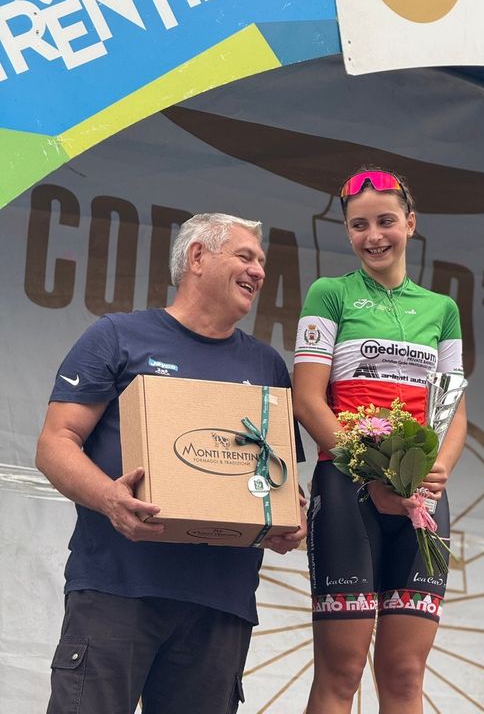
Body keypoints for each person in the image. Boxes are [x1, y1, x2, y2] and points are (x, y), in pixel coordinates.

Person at [36, 212, 307, 714]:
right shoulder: (118, 336)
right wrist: (110, 499)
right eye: (245, 256)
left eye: (262, 262)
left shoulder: (267, 365)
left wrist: (289, 518)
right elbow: (56, 442)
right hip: (118, 588)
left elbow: (281, 476)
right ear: (198, 257)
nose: (259, 271)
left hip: (219, 604)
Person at [293, 169, 467, 714]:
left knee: (405, 673)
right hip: (348, 487)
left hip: (423, 498)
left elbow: (454, 409)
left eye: (386, 221)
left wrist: (436, 471)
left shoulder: (442, 309)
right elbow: (308, 400)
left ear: (410, 224)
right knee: (341, 671)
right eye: (358, 225)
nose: (373, 236)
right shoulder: (330, 293)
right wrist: (373, 471)